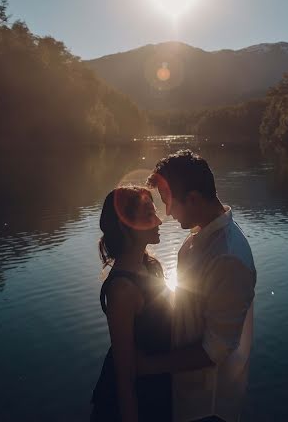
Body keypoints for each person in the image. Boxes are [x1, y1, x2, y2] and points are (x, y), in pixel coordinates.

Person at [139, 150, 256, 422]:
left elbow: (214, 350)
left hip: (208, 406)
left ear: (193, 199)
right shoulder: (201, 235)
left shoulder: (228, 257)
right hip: (187, 396)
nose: (166, 213)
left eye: (169, 203)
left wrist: (147, 366)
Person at [91, 186, 173, 422]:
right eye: (149, 215)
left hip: (154, 390)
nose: (159, 220)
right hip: (131, 403)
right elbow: (124, 377)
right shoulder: (122, 290)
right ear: (125, 226)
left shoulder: (149, 265)